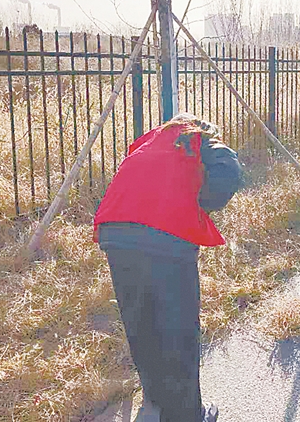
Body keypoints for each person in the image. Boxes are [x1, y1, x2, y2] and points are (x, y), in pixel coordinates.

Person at [94, 113, 243, 422]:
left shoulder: (147, 142)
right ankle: (188, 415)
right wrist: (200, 201)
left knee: (142, 324)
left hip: (115, 233)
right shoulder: (197, 138)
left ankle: (157, 400)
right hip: (167, 237)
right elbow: (229, 169)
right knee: (179, 330)